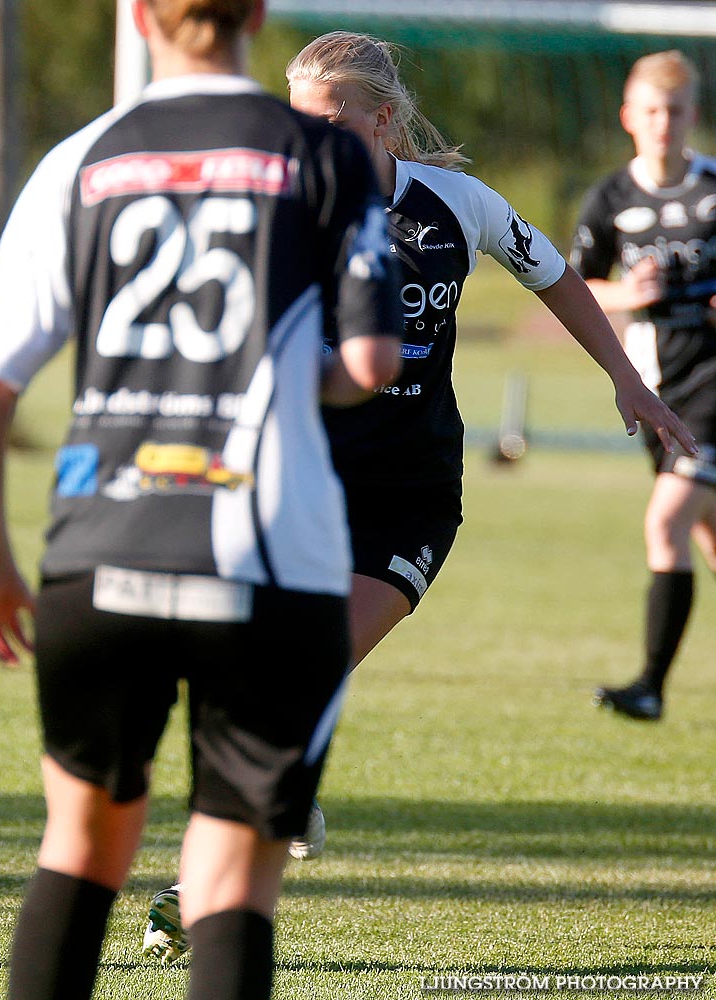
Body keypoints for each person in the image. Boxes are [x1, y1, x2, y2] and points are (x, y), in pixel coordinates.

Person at [137, 29, 699, 965]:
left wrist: (624, 378)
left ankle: (199, 888)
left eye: (326, 124)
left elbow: (554, 276)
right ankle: (281, 791)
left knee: (302, 669)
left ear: (383, 120)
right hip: (295, 486)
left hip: (407, 496)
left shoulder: (456, 205)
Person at [0, 1, 405, 995]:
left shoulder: (85, 157)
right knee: (233, 880)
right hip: (269, 561)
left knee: (78, 849)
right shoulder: (323, 156)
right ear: (255, 13)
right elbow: (370, 360)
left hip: (97, 551)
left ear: (145, 15)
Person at [571, 50, 716, 722]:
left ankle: (651, 686)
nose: (663, 123)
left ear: (693, 115)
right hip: (656, 392)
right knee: (706, 537)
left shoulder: (712, 190)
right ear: (630, 116)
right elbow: (574, 288)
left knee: (664, 523)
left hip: (713, 388)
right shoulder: (608, 199)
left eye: (676, 110)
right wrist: (626, 291)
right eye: (651, 111)